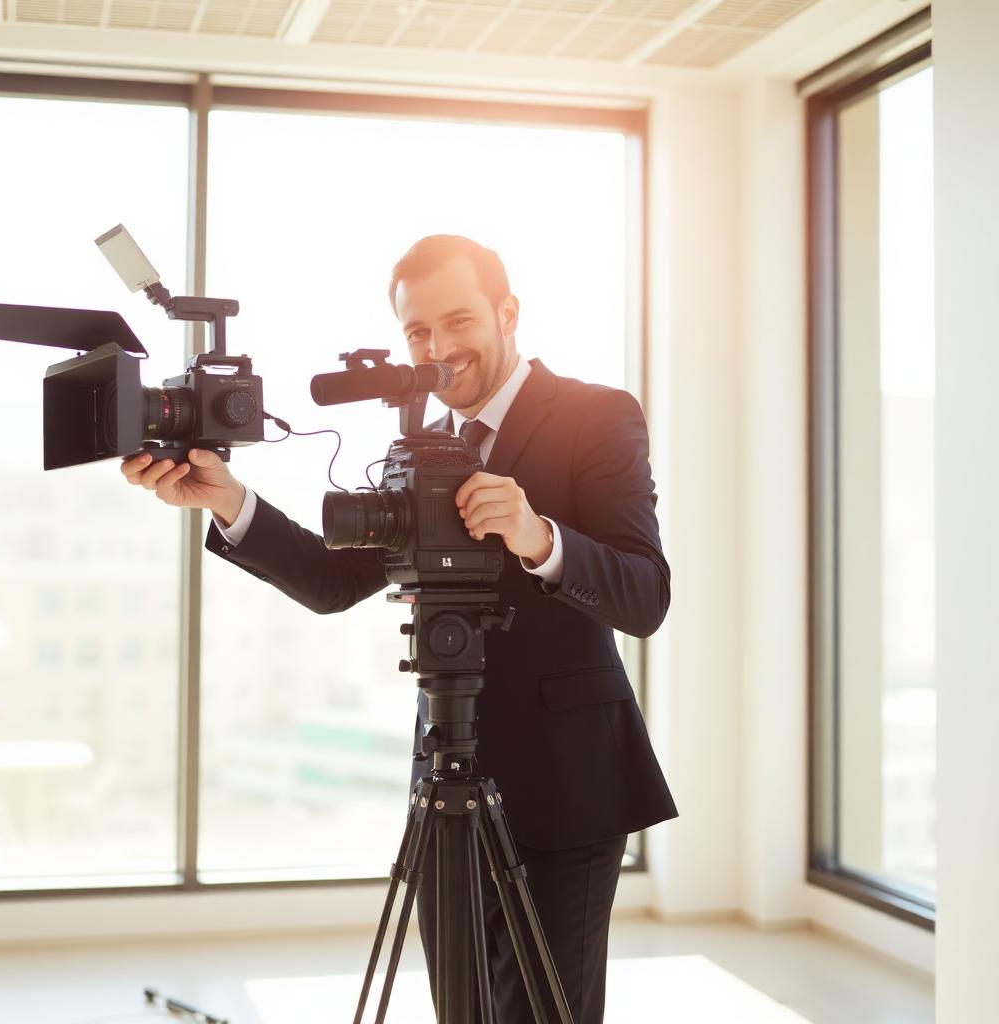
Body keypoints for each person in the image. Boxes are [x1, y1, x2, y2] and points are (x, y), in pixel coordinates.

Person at [120, 234, 676, 1023]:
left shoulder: (596, 415)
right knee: (459, 1010)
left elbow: (645, 595)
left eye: (458, 321)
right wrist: (224, 499)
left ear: (506, 312)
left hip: (570, 787)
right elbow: (333, 581)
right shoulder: (418, 449)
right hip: (446, 782)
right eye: (419, 333)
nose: (440, 349)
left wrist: (539, 536)